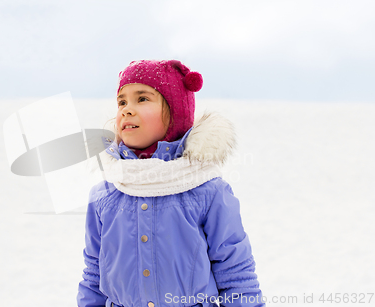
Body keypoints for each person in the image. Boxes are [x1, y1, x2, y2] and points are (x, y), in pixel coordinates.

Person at [77, 60, 265, 307]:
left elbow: (236, 273)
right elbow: (94, 273)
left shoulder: (207, 190)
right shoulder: (106, 194)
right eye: (122, 102)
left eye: (142, 99)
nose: (126, 109)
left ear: (176, 112)